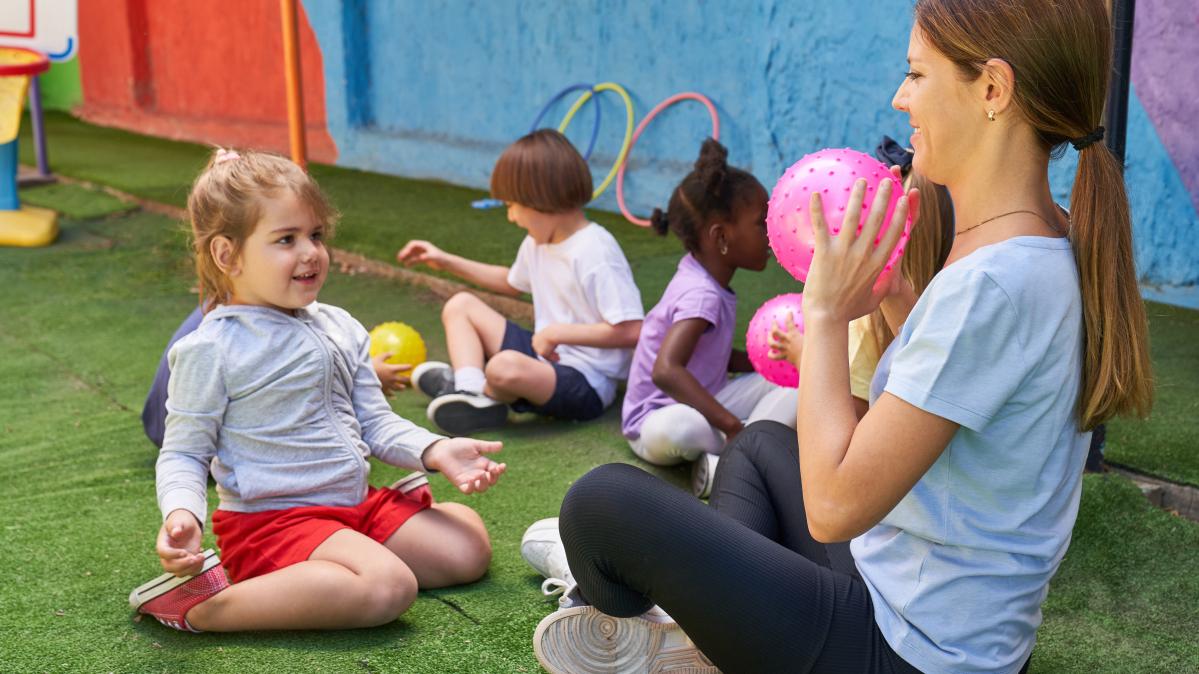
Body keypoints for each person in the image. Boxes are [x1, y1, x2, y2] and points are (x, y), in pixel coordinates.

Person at [532, 1, 1154, 672]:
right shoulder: (1039, 239)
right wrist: (888, 298)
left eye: (916, 75)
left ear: (993, 91)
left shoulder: (992, 283)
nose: (899, 98)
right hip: (920, 601)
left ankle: (671, 623)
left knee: (602, 502)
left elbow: (831, 509)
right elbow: (942, 409)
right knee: (764, 447)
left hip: (908, 652)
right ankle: (715, 637)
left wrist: (825, 316)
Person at [128, 149, 506, 633]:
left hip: (352, 504)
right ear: (228, 255)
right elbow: (183, 451)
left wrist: (437, 450)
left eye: (316, 235)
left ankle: (338, 566)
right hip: (273, 523)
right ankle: (200, 606)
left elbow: (375, 423)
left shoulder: (340, 325)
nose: (310, 252)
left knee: (468, 547)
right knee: (389, 587)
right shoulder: (212, 348)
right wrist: (183, 514)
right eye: (286, 239)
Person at [396, 130, 644, 436]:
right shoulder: (537, 243)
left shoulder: (596, 250)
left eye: (512, 205)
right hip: (542, 356)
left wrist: (556, 333)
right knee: (460, 305)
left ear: (539, 200)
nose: (511, 216)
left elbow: (633, 329)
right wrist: (446, 261)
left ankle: (471, 388)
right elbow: (511, 282)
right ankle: (470, 391)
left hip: (588, 382)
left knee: (504, 367)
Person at [620, 138, 797, 498]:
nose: (771, 231)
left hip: (706, 401)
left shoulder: (706, 278)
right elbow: (666, 370)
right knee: (686, 426)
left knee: (795, 378)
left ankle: (727, 455)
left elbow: (710, 352)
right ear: (721, 237)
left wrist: (759, 363)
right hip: (657, 420)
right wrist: (730, 424)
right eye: (761, 223)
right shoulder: (700, 292)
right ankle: (741, 443)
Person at [141, 305, 412, 449]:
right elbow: (289, 383)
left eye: (315, 236)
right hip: (211, 448)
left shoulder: (220, 304)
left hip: (162, 428)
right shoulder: (254, 321)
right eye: (285, 240)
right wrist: (364, 374)